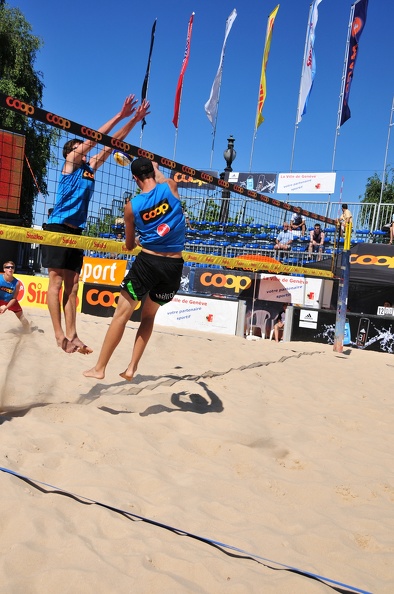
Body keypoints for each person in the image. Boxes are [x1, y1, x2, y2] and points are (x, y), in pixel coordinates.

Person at [41, 94, 150, 355]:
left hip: (76, 231)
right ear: (71, 153)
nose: (86, 151)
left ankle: (73, 335)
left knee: (73, 285)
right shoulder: (69, 165)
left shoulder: (89, 169)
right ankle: (59, 336)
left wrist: (133, 119)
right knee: (55, 284)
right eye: (80, 148)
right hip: (58, 227)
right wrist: (119, 115)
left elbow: (112, 144)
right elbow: (94, 140)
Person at [84, 158, 186, 381]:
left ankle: (100, 368)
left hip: (148, 263)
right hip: (174, 266)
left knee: (121, 315)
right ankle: (131, 367)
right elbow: (160, 177)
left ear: (134, 178)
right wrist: (154, 167)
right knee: (148, 316)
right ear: (153, 171)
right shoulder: (170, 186)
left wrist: (139, 241)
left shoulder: (132, 206)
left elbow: (129, 245)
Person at [0, 261, 30, 331]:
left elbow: (14, 298)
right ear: (4, 269)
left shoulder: (16, 283)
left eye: (12, 267)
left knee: (22, 318)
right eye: (8, 267)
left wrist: (6, 307)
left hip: (10, 301)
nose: (10, 269)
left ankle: (28, 332)